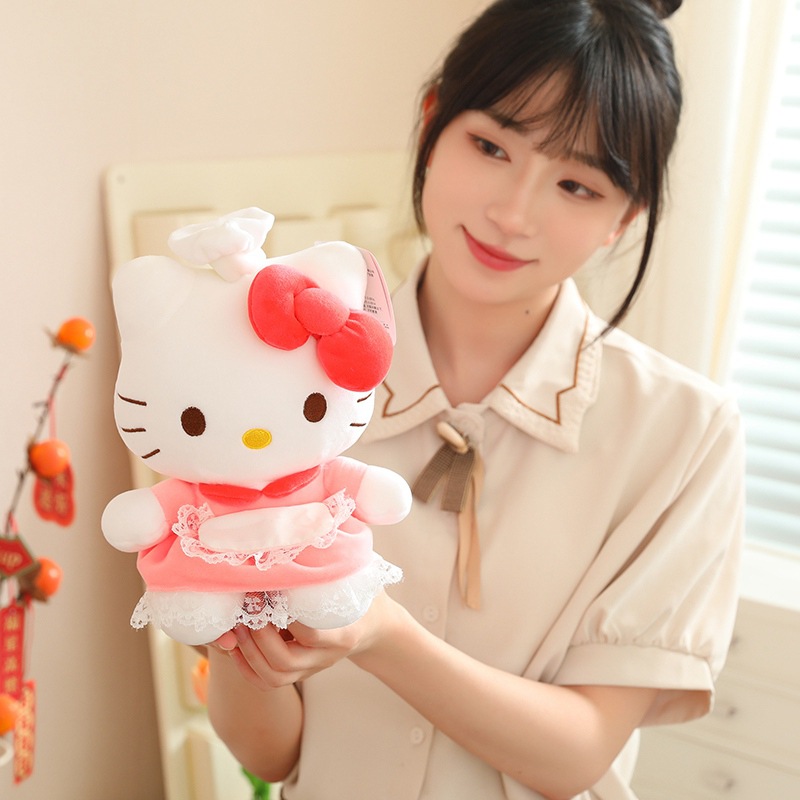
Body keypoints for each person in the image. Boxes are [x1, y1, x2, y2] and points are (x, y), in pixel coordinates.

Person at [205, 1, 744, 798]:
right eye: (491, 146)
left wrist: (380, 633)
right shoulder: (281, 381)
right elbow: (272, 755)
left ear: (624, 218)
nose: (512, 214)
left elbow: (576, 754)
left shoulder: (683, 435)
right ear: (432, 121)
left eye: (576, 184)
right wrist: (237, 623)